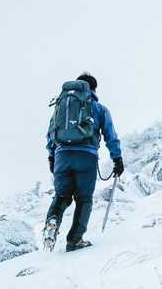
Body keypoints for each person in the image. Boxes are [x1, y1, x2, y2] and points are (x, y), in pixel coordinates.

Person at [44, 72, 124, 251]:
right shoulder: (99, 108)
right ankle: (75, 240)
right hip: (86, 156)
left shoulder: (61, 106)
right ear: (93, 89)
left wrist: (52, 156)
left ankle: (52, 221)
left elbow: (51, 133)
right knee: (83, 199)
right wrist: (117, 159)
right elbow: (110, 135)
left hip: (62, 156)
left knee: (62, 195)